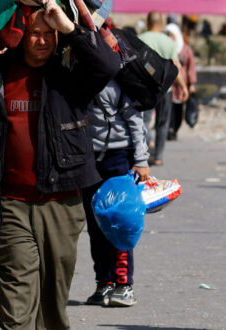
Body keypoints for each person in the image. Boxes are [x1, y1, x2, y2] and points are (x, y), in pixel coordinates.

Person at [0, 1, 120, 328]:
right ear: (21, 35)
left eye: (48, 33)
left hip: (62, 204)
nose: (41, 40)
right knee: (16, 301)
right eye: (34, 33)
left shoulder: (71, 71)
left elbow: (109, 66)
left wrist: (69, 28)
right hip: (10, 204)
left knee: (53, 305)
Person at [83, 79, 151, 308]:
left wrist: (141, 161)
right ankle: (104, 282)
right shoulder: (79, 78)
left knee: (122, 222)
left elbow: (136, 124)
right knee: (95, 225)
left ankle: (124, 285)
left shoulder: (119, 84)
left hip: (119, 160)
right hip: (89, 161)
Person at [138, 11, 188, 166]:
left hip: (145, 87)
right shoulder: (169, 42)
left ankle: (144, 151)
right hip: (164, 89)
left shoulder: (140, 40)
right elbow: (175, 67)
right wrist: (183, 87)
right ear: (161, 24)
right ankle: (158, 156)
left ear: (147, 22)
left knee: (143, 121)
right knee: (163, 122)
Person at [165, 23, 197, 141]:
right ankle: (169, 129)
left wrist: (192, 84)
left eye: (171, 35)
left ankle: (175, 129)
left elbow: (191, 66)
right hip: (169, 85)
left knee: (178, 110)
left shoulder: (185, 49)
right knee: (169, 108)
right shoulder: (167, 47)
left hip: (181, 85)